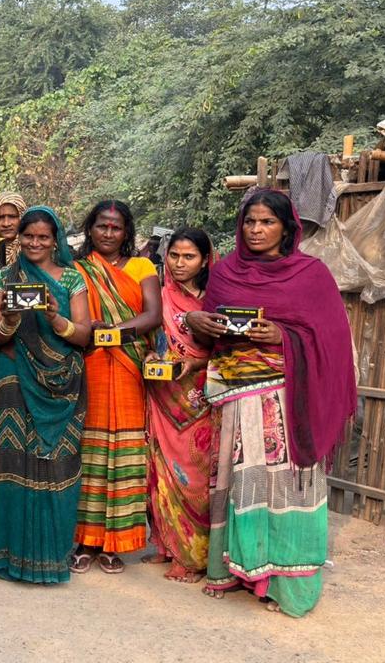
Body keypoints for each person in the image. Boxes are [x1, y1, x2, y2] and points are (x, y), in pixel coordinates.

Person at [186, 190, 356, 617]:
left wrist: (283, 336)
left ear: (287, 227)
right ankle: (239, 569)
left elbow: (333, 339)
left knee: (286, 487)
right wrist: (198, 321)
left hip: (288, 399)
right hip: (237, 400)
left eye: (266, 222)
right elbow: (208, 335)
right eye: (249, 222)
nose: (256, 230)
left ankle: (284, 580)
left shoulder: (310, 275)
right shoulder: (226, 272)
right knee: (239, 483)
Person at [0, 207, 92, 584]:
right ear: (19, 237)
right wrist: (10, 318)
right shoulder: (3, 278)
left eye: (43, 237)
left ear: (54, 238)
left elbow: (83, 335)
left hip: (61, 382)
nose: (35, 243)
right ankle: (7, 555)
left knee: (56, 463)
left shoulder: (73, 280)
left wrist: (57, 316)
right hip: (13, 373)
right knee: (12, 461)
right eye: (28, 236)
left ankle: (50, 556)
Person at [71, 200, 162, 575]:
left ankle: (117, 543)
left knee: (125, 453)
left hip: (128, 367)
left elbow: (153, 315)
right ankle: (86, 540)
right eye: (102, 226)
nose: (108, 233)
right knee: (88, 453)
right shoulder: (77, 269)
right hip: (89, 365)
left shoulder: (142, 266)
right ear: (90, 228)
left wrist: (111, 332)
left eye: (116, 227)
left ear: (127, 232)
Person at [143, 227, 216, 584]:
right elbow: (151, 338)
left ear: (205, 260)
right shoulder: (159, 295)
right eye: (175, 255)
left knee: (195, 477)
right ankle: (167, 544)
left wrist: (196, 364)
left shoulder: (215, 299)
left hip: (200, 397)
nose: (180, 263)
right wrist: (154, 354)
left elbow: (225, 351)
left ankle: (194, 555)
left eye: (189, 257)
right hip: (162, 393)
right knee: (161, 472)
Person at [0, 192, 28, 271]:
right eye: (0, 217)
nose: (6, 224)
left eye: (12, 216)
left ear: (22, 217)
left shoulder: (33, 249)